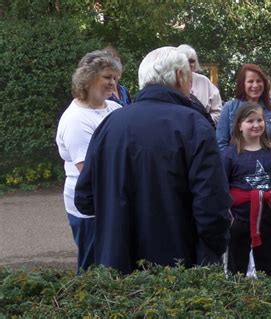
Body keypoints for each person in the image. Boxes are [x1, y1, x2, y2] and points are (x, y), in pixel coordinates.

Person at [74, 46, 232, 274]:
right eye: (190, 79)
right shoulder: (194, 125)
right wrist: (213, 254)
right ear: (180, 77)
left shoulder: (110, 124)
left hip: (117, 267)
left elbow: (85, 199)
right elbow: (212, 208)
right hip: (179, 269)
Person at [55, 49, 123, 273]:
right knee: (92, 265)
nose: (113, 82)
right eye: (107, 77)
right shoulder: (76, 119)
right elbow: (89, 172)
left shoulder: (114, 108)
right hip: (90, 206)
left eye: (115, 77)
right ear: (88, 78)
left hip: (114, 198)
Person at [222, 102, 271, 276]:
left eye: (259, 120)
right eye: (250, 121)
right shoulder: (229, 154)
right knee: (237, 269)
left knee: (266, 269)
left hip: (268, 222)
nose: (256, 125)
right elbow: (222, 189)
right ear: (239, 125)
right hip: (239, 222)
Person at [217, 64, 271, 155]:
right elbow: (221, 144)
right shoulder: (229, 108)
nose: (255, 85)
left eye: (259, 81)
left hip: (268, 167)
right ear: (242, 84)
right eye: (250, 81)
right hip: (236, 167)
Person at [177, 44, 222, 126]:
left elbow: (218, 111)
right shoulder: (170, 82)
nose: (189, 64)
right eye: (185, 61)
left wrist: (203, 124)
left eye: (192, 61)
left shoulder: (204, 81)